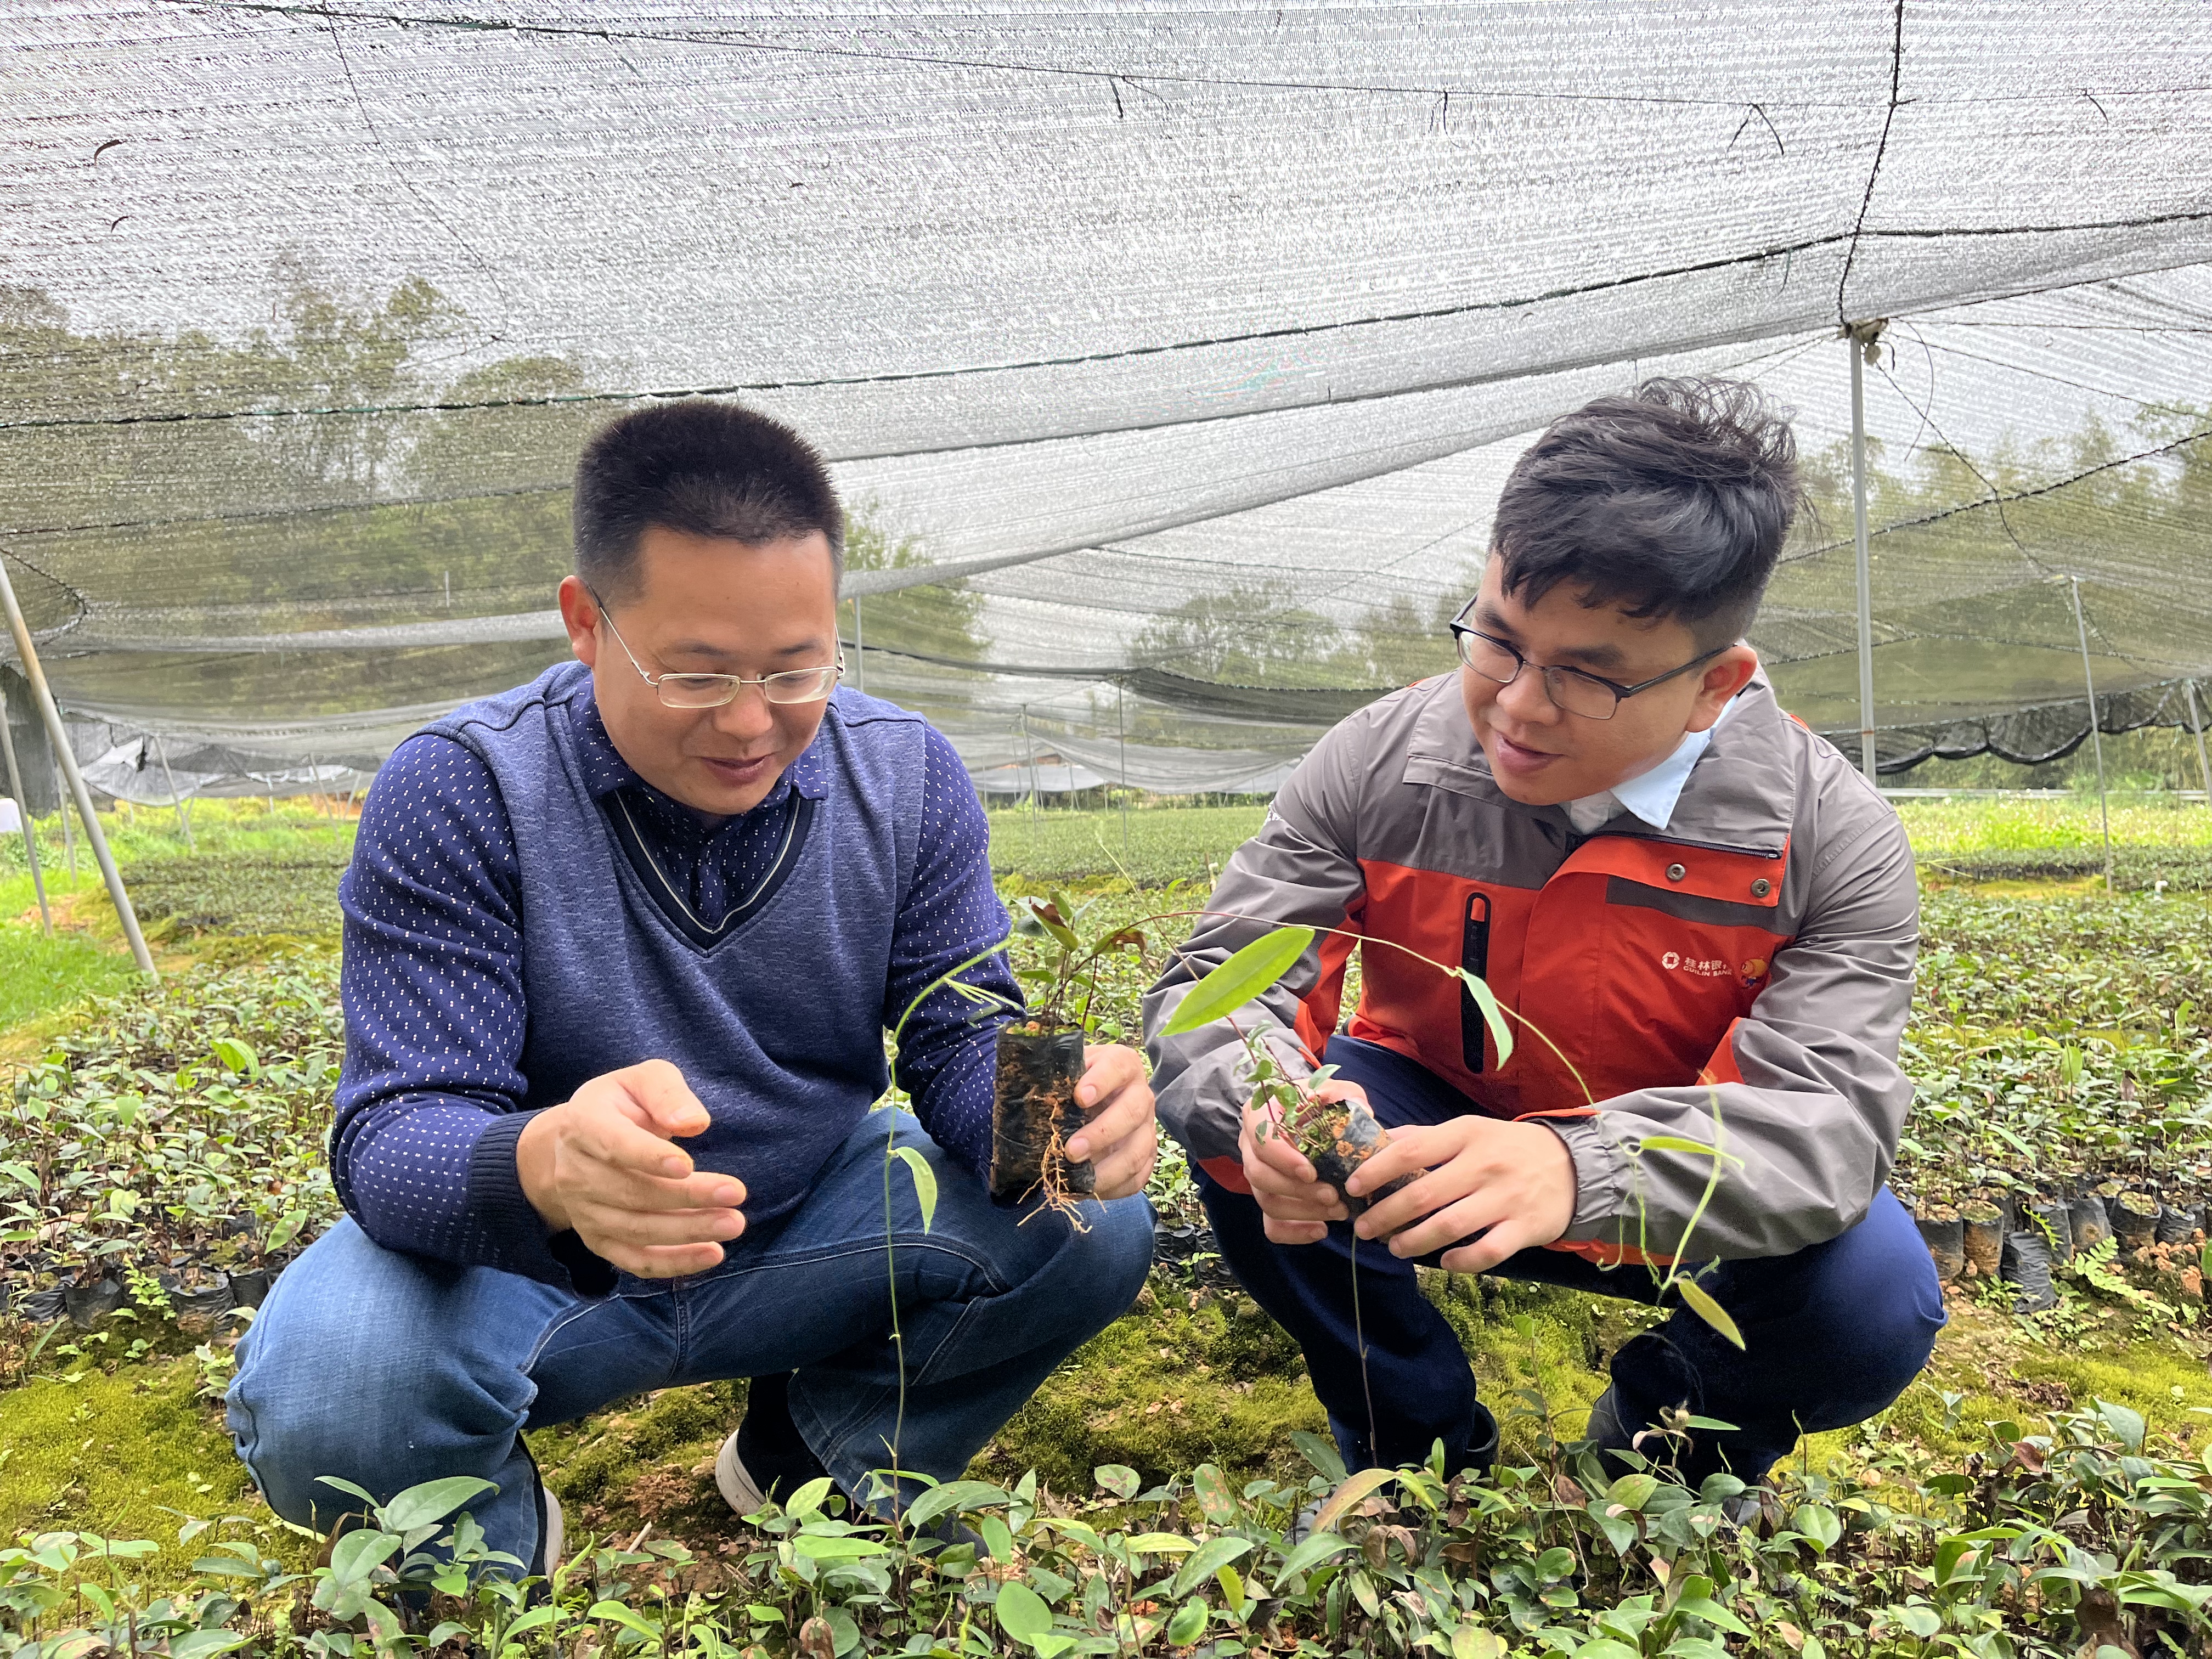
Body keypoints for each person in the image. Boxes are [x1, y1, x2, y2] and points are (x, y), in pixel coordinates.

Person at [227, 400, 1156, 1572]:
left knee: (1094, 1222)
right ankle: (496, 1552)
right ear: (585, 621)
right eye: (697, 673)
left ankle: (812, 1461)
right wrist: (550, 1164)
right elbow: (394, 1126)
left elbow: (958, 1031)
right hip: (538, 1274)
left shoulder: (905, 777)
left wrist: (1056, 1119)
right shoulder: (465, 791)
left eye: (796, 669)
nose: (754, 722)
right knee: (335, 1388)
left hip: (809, 1228)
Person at [1144, 377, 1943, 1488]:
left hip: (1670, 1180)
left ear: (1716, 685)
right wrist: (1268, 1112)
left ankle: (1658, 1444)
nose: (1518, 707)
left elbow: (1828, 1124)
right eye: (1501, 642)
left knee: (1870, 1301)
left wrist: (1580, 1166)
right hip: (1426, 1110)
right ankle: (1412, 1442)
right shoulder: (1381, 759)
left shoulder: (1825, 836)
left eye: (1589, 676)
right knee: (1246, 1155)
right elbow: (1224, 982)